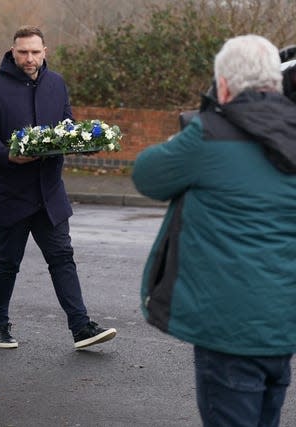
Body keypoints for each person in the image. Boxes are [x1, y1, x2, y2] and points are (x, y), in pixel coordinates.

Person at [132, 34, 296, 427]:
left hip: (227, 329)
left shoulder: (207, 134)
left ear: (223, 85)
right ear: (275, 82)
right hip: (282, 326)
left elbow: (146, 175)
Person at [0, 25, 117, 350]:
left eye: (35, 52)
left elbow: (66, 125)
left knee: (62, 257)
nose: (29, 58)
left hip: (49, 194)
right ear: (13, 51)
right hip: (11, 193)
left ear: (45, 51)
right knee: (8, 261)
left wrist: (85, 143)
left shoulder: (56, 84)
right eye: (23, 52)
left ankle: (81, 328)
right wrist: (9, 155)